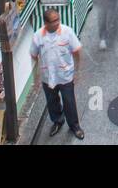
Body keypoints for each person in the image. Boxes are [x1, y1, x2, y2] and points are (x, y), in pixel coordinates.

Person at [28, 8, 84, 140]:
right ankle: (58, 121)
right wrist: (36, 76)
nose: (57, 22)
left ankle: (75, 126)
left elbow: (76, 51)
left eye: (58, 19)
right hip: (48, 76)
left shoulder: (67, 32)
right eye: (54, 21)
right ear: (46, 23)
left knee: (69, 101)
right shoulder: (38, 36)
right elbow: (34, 56)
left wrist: (78, 70)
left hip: (65, 75)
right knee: (52, 101)